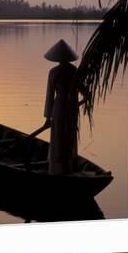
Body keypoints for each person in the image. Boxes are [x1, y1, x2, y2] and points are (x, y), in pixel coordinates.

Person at [42, 39, 80, 175]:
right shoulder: (74, 71)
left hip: (59, 107)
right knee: (69, 133)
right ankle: (67, 166)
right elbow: (85, 92)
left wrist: (48, 118)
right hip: (72, 108)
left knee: (58, 135)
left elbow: (50, 96)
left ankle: (58, 168)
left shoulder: (54, 72)